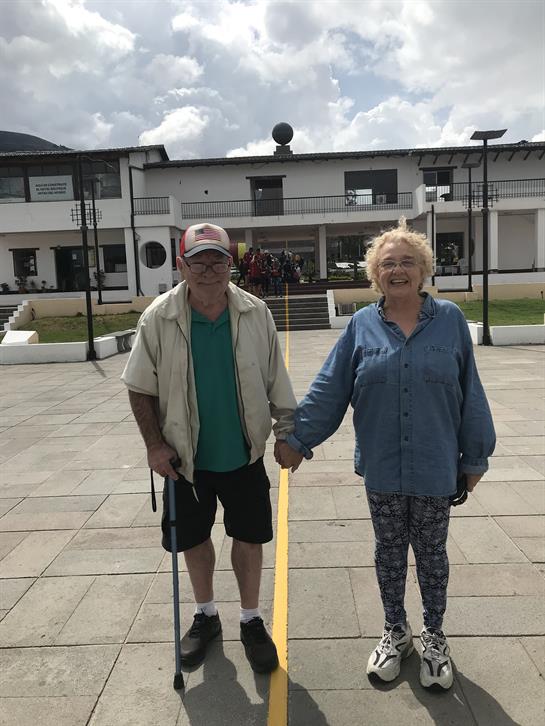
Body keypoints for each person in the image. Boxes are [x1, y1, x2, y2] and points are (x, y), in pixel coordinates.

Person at [275, 217, 495, 690]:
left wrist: (475, 457)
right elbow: (331, 390)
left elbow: (469, 391)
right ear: (376, 273)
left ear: (423, 270)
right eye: (388, 263)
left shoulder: (451, 320)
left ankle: (434, 637)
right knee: (390, 554)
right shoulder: (361, 326)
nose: (398, 270)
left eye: (408, 262)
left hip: (438, 466)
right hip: (384, 469)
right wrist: (296, 439)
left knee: (432, 555)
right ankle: (396, 630)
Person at [122, 222, 297, 674]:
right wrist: (154, 446)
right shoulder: (158, 318)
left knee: (250, 538)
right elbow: (140, 387)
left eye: (217, 259)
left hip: (244, 454)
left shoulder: (255, 313)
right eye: (197, 260)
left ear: (230, 264)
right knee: (194, 540)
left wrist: (287, 432)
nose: (208, 269)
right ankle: (206, 614)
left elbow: (276, 378)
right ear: (182, 265)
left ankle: (251, 619)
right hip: (184, 460)